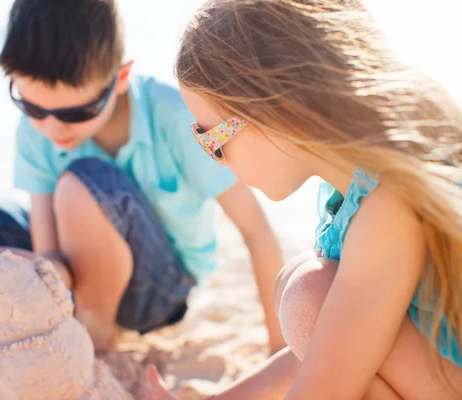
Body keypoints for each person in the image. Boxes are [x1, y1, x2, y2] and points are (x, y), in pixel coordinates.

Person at [0, 0, 285, 352]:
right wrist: (30, 273)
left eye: (73, 113)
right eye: (31, 107)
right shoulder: (36, 131)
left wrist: (278, 349)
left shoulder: (173, 115)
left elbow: (256, 231)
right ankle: (24, 311)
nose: (52, 129)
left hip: (160, 292)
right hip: (75, 268)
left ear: (119, 78)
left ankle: (93, 331)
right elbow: (49, 250)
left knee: (81, 182)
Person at [147, 0, 462, 398]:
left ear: (277, 110)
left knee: (308, 294)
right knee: (305, 291)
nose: (218, 161)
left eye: (212, 140)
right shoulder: (360, 185)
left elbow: (324, 385)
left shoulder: (389, 208)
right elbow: (335, 346)